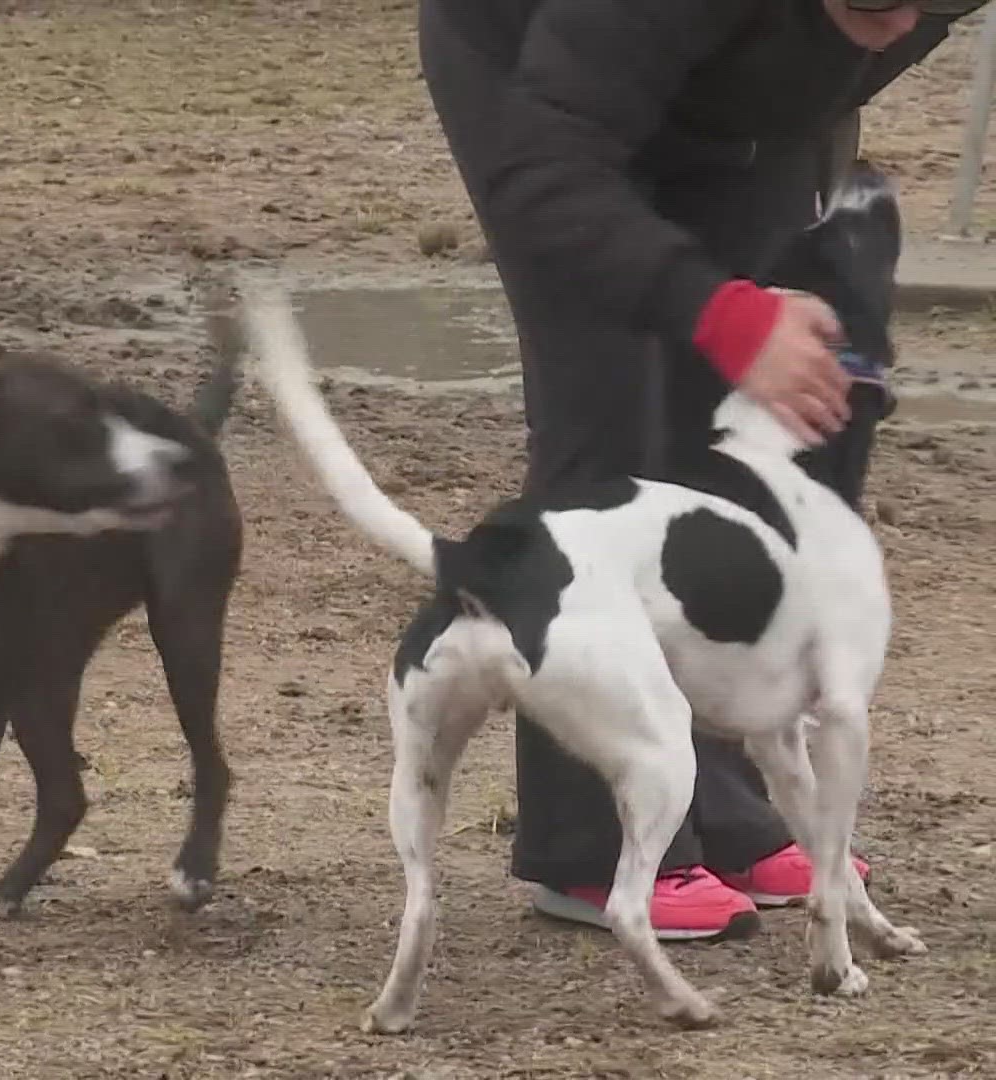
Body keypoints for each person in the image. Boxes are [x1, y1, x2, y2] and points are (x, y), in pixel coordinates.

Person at [415, 0, 988, 940]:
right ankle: (592, 840)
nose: (901, 29)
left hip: (745, 85)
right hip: (540, 71)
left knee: (724, 433)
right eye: (876, 4)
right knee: (607, 421)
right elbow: (544, 166)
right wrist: (720, 313)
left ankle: (719, 799)